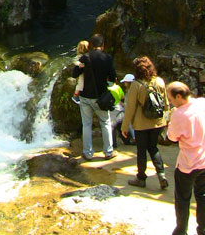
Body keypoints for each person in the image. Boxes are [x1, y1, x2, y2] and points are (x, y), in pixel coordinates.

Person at [162, 82, 205, 235]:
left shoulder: (179, 114)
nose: (171, 102)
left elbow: (172, 137)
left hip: (188, 163)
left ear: (179, 96)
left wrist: (172, 116)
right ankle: (203, 233)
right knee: (202, 196)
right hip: (204, 160)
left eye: (171, 99)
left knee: (182, 199)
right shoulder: (201, 103)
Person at [121, 56, 169, 189]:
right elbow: (165, 104)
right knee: (153, 148)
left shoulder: (136, 85)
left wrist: (125, 127)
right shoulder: (159, 81)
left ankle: (141, 178)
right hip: (157, 122)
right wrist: (166, 121)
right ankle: (161, 175)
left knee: (141, 150)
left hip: (141, 124)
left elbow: (130, 108)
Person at [72, 33, 117, 161]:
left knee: (86, 124)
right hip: (101, 97)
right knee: (105, 123)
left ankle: (88, 152)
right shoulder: (107, 58)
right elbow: (113, 77)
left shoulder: (85, 57)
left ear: (91, 45)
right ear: (102, 45)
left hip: (86, 96)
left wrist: (78, 66)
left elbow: (75, 74)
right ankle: (108, 152)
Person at [72, 40, 89, 104]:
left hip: (85, 71)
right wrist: (79, 64)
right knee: (80, 84)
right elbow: (74, 61)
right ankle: (75, 96)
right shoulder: (79, 56)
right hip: (81, 72)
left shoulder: (86, 55)